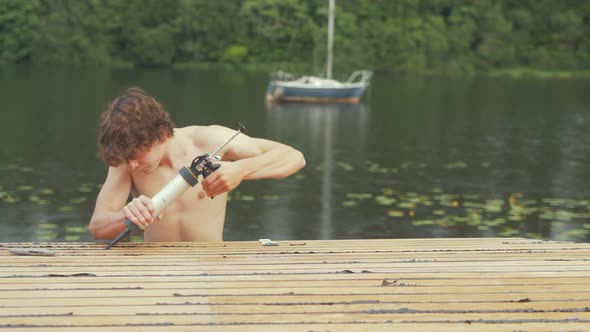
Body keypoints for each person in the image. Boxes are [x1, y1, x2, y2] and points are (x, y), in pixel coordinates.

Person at [89, 87, 305, 242]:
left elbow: (293, 157)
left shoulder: (210, 140)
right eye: (128, 160)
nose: (133, 165)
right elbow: (98, 226)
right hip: (155, 272)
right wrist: (126, 216)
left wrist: (239, 170)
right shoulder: (126, 161)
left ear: (161, 134)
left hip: (210, 268)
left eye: (139, 155)